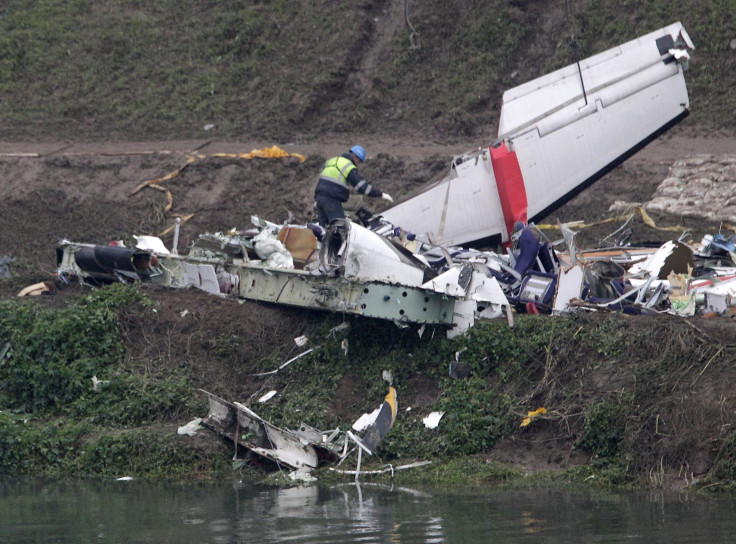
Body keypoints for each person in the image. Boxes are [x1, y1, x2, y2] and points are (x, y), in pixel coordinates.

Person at [313, 145, 393, 227]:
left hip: (319, 199)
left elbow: (324, 180)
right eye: (359, 162)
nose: (358, 164)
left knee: (323, 230)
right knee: (339, 228)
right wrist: (381, 194)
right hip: (332, 201)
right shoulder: (349, 167)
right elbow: (362, 187)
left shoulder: (332, 161)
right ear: (357, 158)